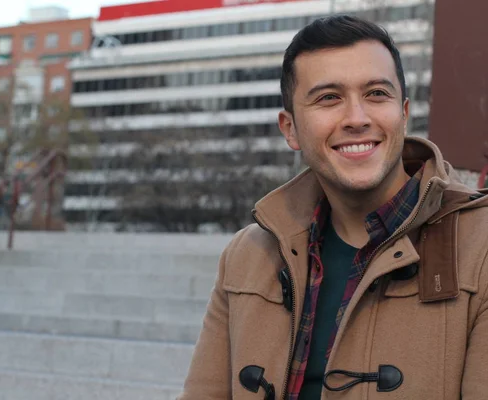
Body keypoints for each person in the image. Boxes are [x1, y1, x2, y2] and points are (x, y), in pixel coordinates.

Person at [179, 15, 488, 400]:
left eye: (376, 93)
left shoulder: (481, 249)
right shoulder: (246, 256)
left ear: (404, 113)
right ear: (289, 128)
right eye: (329, 98)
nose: (357, 119)